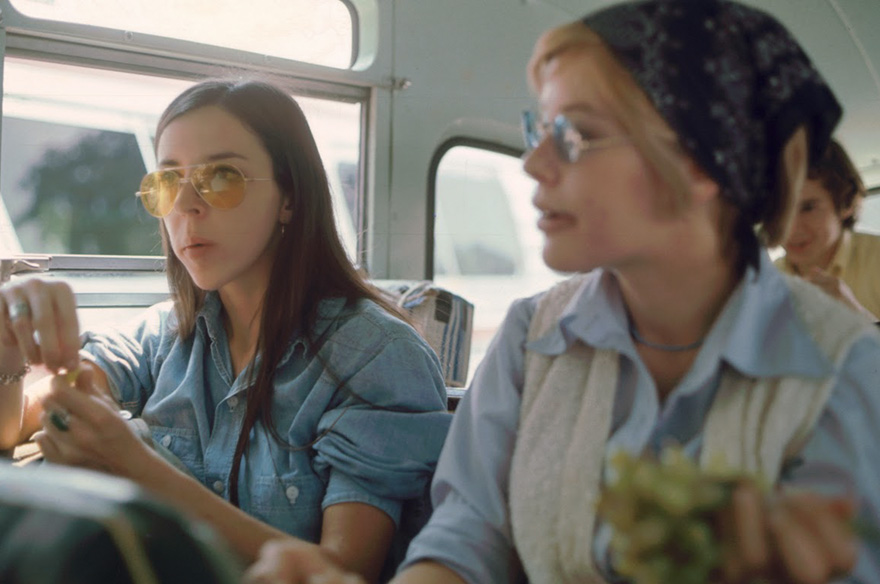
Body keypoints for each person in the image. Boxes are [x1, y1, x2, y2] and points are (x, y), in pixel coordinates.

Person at [388, 1, 880, 583]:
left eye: (575, 134)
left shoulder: (843, 370)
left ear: (701, 162)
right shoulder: (529, 339)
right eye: (539, 130)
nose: (533, 163)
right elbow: (467, 537)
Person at [0, 79, 451, 583]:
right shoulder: (164, 334)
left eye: (221, 176)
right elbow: (12, 425)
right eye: (168, 181)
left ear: (289, 197)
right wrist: (8, 347)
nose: (186, 205)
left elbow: (339, 572)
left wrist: (139, 468)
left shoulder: (378, 356)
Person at [776, 138, 880, 321]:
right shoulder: (766, 281)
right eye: (779, 210)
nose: (790, 228)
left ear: (846, 203)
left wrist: (857, 318)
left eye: (808, 208)